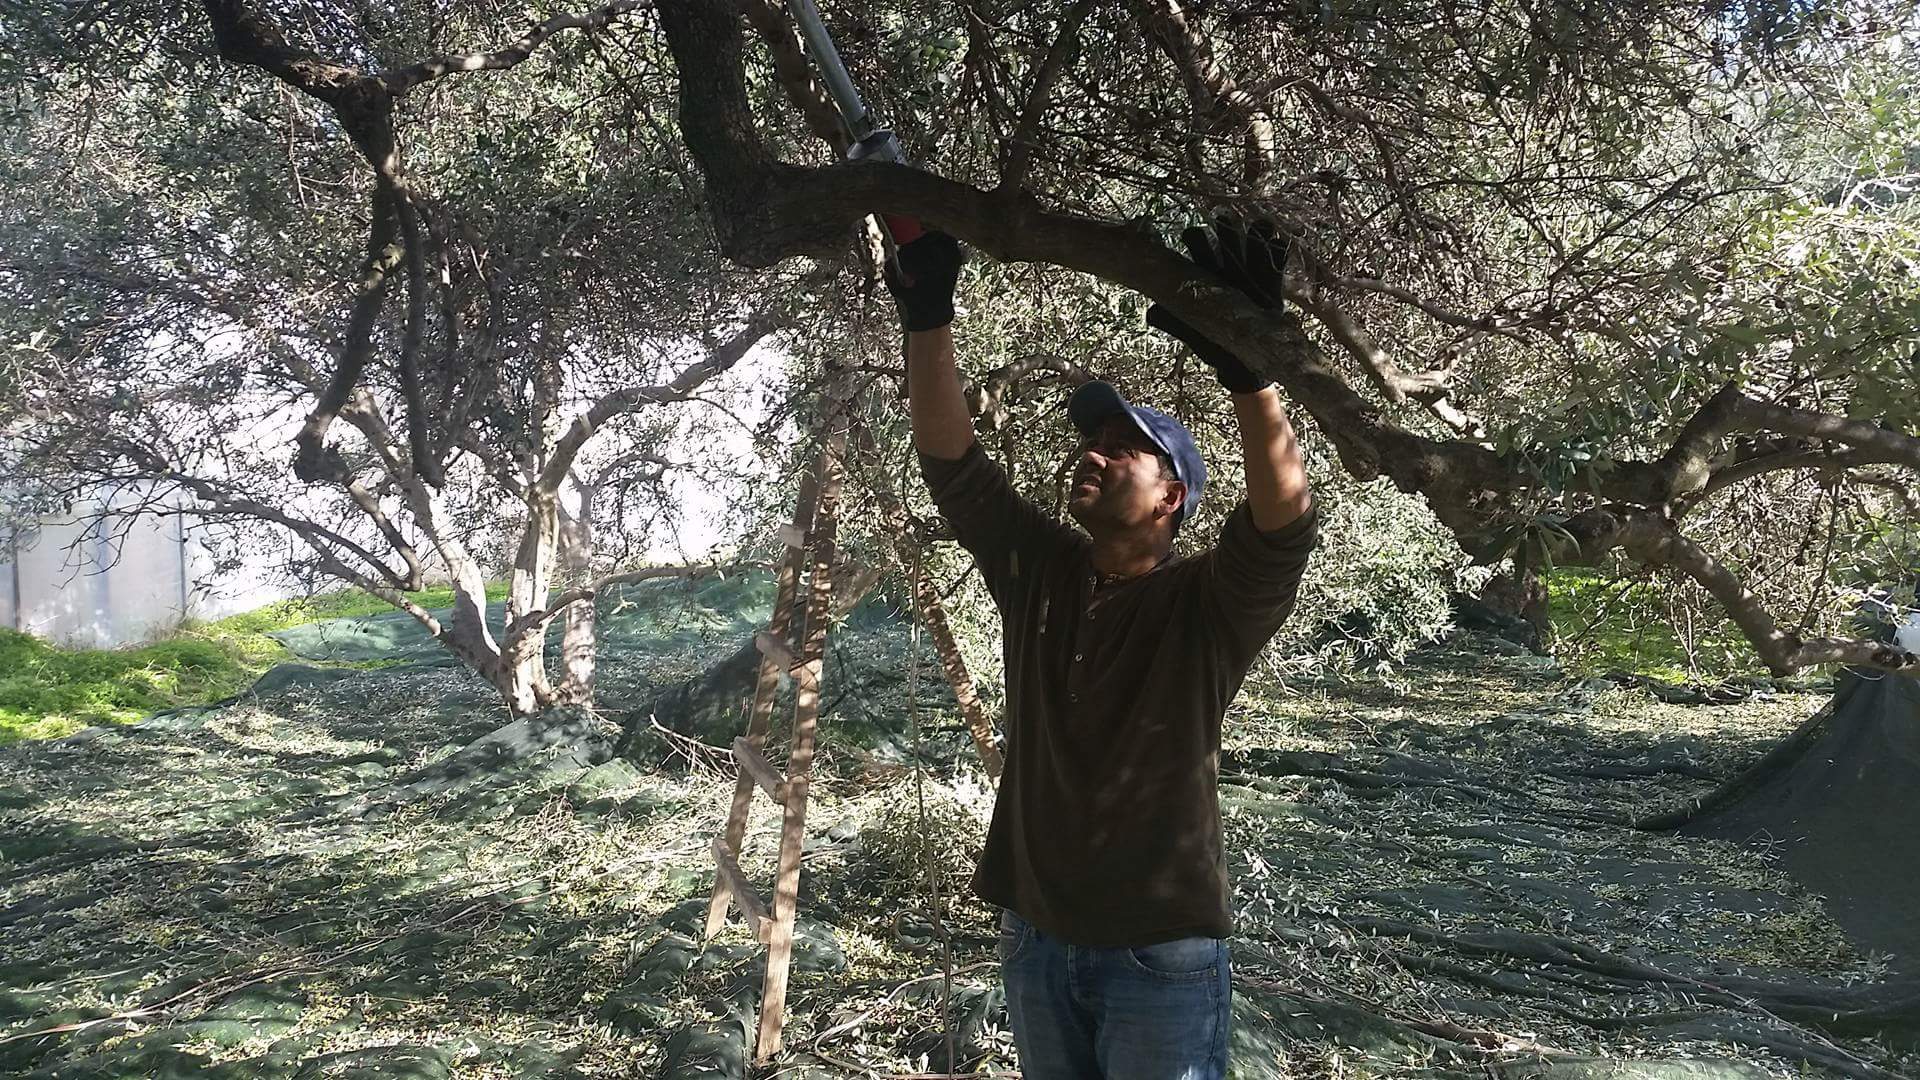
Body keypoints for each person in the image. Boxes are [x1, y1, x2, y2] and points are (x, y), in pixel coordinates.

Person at [886, 223, 1317, 1080]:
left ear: (1172, 499)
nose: (1093, 452)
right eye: (1092, 440)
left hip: (1161, 952)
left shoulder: (1205, 605)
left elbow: (1284, 527)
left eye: (1125, 449)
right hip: (1035, 936)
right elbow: (952, 464)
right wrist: (927, 315)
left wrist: (1249, 370)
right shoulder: (1039, 569)